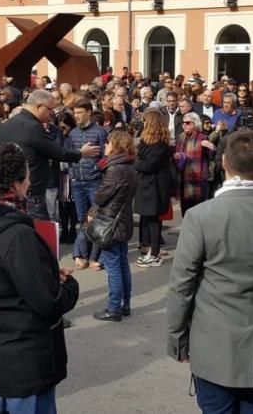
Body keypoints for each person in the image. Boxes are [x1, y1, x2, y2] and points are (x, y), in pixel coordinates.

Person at [168, 130, 253, 414]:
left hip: (214, 341)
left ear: (224, 162)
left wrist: (177, 337)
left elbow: (181, 284)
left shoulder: (201, 216)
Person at [0, 142, 79, 413]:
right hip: (20, 359)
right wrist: (69, 285)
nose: (30, 179)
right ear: (17, 183)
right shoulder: (18, 235)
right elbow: (48, 301)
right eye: (27, 174)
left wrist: (42, 273)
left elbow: (1, 278)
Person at [0, 90, 99, 219]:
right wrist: (81, 153)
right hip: (32, 191)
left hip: (13, 189)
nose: (51, 114)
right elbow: (57, 152)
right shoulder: (33, 126)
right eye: (50, 110)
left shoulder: (8, 123)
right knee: (40, 233)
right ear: (39, 106)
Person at [91, 130, 138, 322]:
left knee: (113, 267)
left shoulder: (115, 169)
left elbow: (101, 197)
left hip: (111, 222)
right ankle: (125, 304)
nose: (105, 146)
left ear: (116, 145)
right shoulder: (129, 166)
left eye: (108, 143)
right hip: (123, 220)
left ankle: (113, 308)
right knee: (122, 264)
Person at [67, 98, 108, 270]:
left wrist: (96, 169)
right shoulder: (72, 134)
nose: (76, 116)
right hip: (78, 183)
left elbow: (105, 158)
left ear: (89, 112)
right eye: (75, 113)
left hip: (94, 182)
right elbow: (68, 155)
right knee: (82, 220)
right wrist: (72, 177)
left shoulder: (100, 132)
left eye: (79, 113)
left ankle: (94, 257)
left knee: (96, 220)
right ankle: (79, 254)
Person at [134, 110, 174, 268]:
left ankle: (155, 254)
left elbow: (148, 165)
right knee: (149, 219)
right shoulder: (148, 143)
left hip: (155, 187)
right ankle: (150, 250)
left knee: (154, 220)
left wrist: (135, 162)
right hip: (148, 185)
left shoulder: (159, 145)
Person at [174, 112, 215, 214]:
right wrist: (175, 156)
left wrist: (211, 147)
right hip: (183, 179)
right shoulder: (180, 137)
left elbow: (212, 155)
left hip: (198, 180)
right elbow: (176, 154)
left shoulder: (202, 137)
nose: (184, 125)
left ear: (195, 124)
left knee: (198, 210)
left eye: (188, 123)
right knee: (185, 210)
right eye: (183, 123)